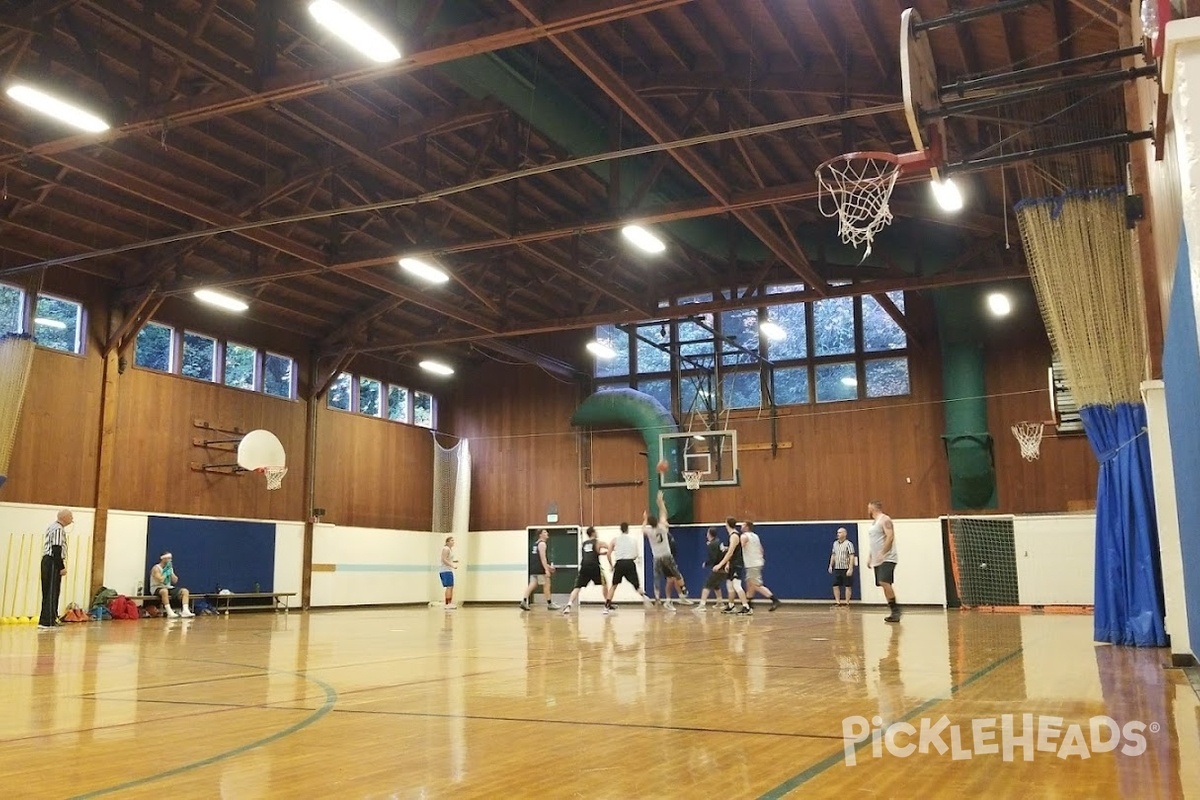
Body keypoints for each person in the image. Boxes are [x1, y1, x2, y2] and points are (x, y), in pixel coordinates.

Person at [644, 491, 692, 611]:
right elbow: (664, 514)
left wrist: (644, 519)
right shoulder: (663, 527)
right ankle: (684, 589)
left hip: (657, 557)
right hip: (666, 555)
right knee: (676, 573)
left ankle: (657, 597)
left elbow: (642, 529)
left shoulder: (649, 532)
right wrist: (660, 503)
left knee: (656, 577)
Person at [562, 526, 609, 614]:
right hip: (594, 566)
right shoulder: (598, 542)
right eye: (596, 531)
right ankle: (607, 605)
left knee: (577, 587)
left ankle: (569, 605)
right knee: (604, 584)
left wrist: (600, 553)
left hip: (584, 566)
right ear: (593, 533)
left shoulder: (584, 544)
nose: (597, 533)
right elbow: (609, 546)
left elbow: (590, 553)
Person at [605, 522, 651, 612]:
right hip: (630, 563)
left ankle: (606, 607)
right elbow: (636, 555)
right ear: (627, 529)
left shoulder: (615, 540)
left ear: (620, 529)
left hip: (619, 563)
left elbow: (608, 554)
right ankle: (645, 597)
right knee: (636, 586)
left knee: (614, 585)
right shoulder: (633, 540)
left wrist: (611, 565)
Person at [37, 509, 71, 630]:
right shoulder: (58, 529)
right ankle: (47, 621)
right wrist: (61, 567)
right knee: (51, 591)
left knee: (52, 591)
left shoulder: (52, 527)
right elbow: (56, 548)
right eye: (70, 517)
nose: (72, 520)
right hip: (52, 561)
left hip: (49, 561)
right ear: (64, 518)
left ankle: (51, 618)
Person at [867, 500, 900, 623]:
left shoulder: (885, 519)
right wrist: (870, 556)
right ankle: (893, 611)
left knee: (884, 581)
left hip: (887, 558)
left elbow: (890, 536)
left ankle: (896, 610)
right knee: (883, 584)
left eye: (869, 508)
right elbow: (874, 542)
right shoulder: (874, 523)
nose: (868, 510)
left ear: (873, 508)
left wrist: (883, 552)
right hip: (877, 559)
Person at [741, 521, 781, 611]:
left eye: (743, 525)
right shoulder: (755, 536)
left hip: (752, 563)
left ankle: (774, 600)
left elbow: (739, 548)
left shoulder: (744, 536)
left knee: (756, 585)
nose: (741, 526)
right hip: (757, 562)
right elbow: (761, 549)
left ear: (747, 527)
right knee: (749, 583)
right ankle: (748, 603)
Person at [714, 517, 751, 615]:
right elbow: (733, 552)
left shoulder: (734, 536)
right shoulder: (732, 535)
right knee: (729, 585)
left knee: (736, 585)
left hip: (737, 564)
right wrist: (728, 563)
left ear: (727, 524)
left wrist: (720, 564)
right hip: (732, 563)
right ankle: (731, 605)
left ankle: (746, 607)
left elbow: (730, 553)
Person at [520, 529, 559, 611]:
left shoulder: (535, 544)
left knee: (532, 584)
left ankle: (524, 601)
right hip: (540, 569)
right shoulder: (542, 544)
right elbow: (542, 558)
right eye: (544, 532)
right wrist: (546, 569)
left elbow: (538, 559)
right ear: (540, 535)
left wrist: (548, 567)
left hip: (534, 568)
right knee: (547, 585)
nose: (547, 533)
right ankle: (550, 603)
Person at [693, 527, 728, 612]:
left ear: (709, 534)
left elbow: (713, 557)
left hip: (718, 568)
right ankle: (720, 602)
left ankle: (702, 605)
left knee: (707, 585)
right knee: (716, 584)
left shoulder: (712, 544)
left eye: (708, 533)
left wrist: (707, 563)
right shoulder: (719, 542)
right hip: (723, 568)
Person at [150, 551, 193, 618]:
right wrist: (165, 573)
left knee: (185, 591)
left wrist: (171, 573)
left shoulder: (169, 568)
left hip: (168, 587)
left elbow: (175, 581)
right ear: (163, 559)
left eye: (171, 558)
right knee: (164, 591)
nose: (170, 560)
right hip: (157, 587)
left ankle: (185, 610)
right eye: (168, 558)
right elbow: (160, 580)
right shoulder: (156, 568)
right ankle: (169, 611)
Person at [828, 527, 856, 607]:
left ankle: (847, 603)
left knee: (847, 585)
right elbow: (833, 555)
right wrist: (831, 565)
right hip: (837, 568)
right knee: (835, 585)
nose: (838, 534)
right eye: (838, 532)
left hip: (846, 568)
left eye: (840, 532)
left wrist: (850, 568)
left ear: (845, 534)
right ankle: (838, 602)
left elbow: (851, 556)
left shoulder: (849, 544)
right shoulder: (835, 543)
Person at [438, 536, 457, 610]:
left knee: (451, 586)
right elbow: (444, 559)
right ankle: (447, 603)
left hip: (448, 570)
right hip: (445, 570)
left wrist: (454, 562)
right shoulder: (446, 549)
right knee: (449, 586)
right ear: (447, 542)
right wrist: (452, 565)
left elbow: (448, 559)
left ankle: (449, 602)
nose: (453, 542)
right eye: (452, 540)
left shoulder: (450, 549)